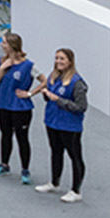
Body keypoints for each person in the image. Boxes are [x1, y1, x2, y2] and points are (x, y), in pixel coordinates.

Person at [33, 47, 88, 202]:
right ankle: (54, 182)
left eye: (62, 59)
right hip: (52, 122)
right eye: (57, 58)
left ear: (70, 61)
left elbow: (81, 106)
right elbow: (49, 98)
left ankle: (76, 191)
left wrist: (57, 99)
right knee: (55, 152)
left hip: (70, 126)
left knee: (75, 156)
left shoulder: (77, 83)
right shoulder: (53, 77)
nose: (58, 61)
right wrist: (46, 95)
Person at [0, 32, 37, 184]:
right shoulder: (0, 61)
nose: (2, 45)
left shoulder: (29, 65)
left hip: (21, 108)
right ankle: (4, 165)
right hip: (3, 105)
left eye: (4, 43)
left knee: (22, 138)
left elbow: (45, 81)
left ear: (12, 45)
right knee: (5, 134)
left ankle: (25, 170)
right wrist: (3, 67)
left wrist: (30, 93)